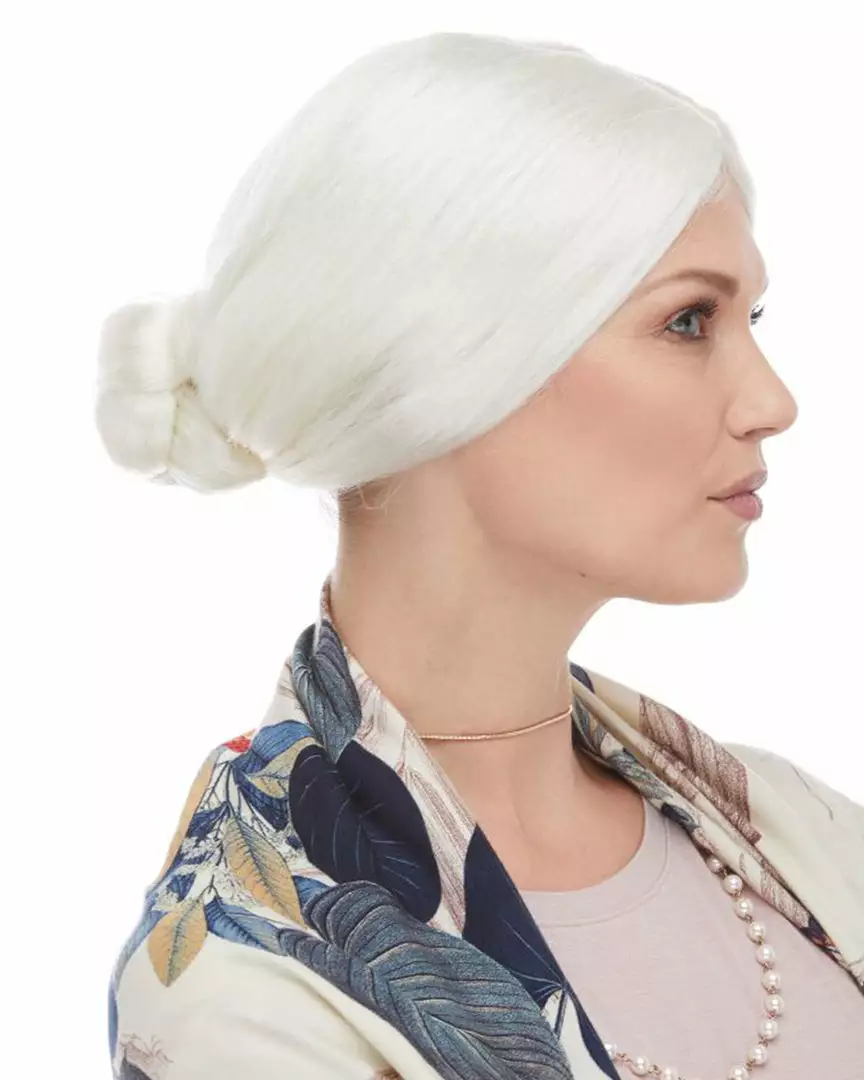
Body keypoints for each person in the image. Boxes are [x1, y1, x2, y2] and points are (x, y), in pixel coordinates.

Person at [95, 30, 864, 1080]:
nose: (774, 401)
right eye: (689, 320)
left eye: (751, 317)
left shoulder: (800, 831)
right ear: (450, 365)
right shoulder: (246, 989)